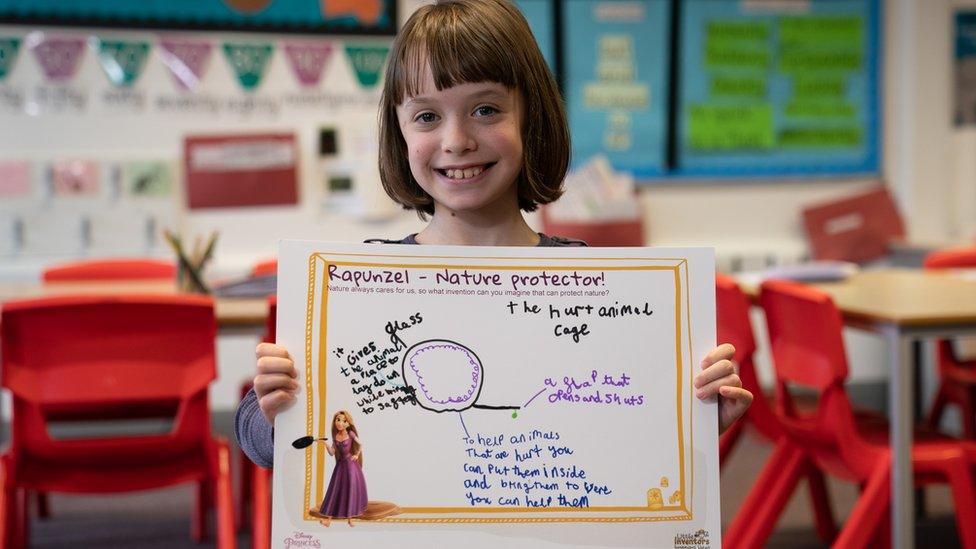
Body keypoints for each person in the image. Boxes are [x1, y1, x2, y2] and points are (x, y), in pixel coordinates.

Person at [236, 0, 752, 470]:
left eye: (486, 110)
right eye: (427, 116)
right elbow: (262, 440)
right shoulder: (360, 286)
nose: (457, 140)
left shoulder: (591, 283)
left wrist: (697, 418)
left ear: (531, 118)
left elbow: (624, 443)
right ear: (399, 132)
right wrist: (274, 410)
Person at [313, 411, 367, 527]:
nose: (340, 423)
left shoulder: (351, 434)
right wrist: (324, 444)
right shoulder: (336, 436)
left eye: (344, 420)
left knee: (350, 489)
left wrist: (356, 455)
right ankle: (328, 520)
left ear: (348, 423)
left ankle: (351, 518)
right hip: (340, 466)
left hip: (351, 466)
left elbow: (361, 444)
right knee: (335, 490)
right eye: (338, 419)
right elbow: (332, 453)